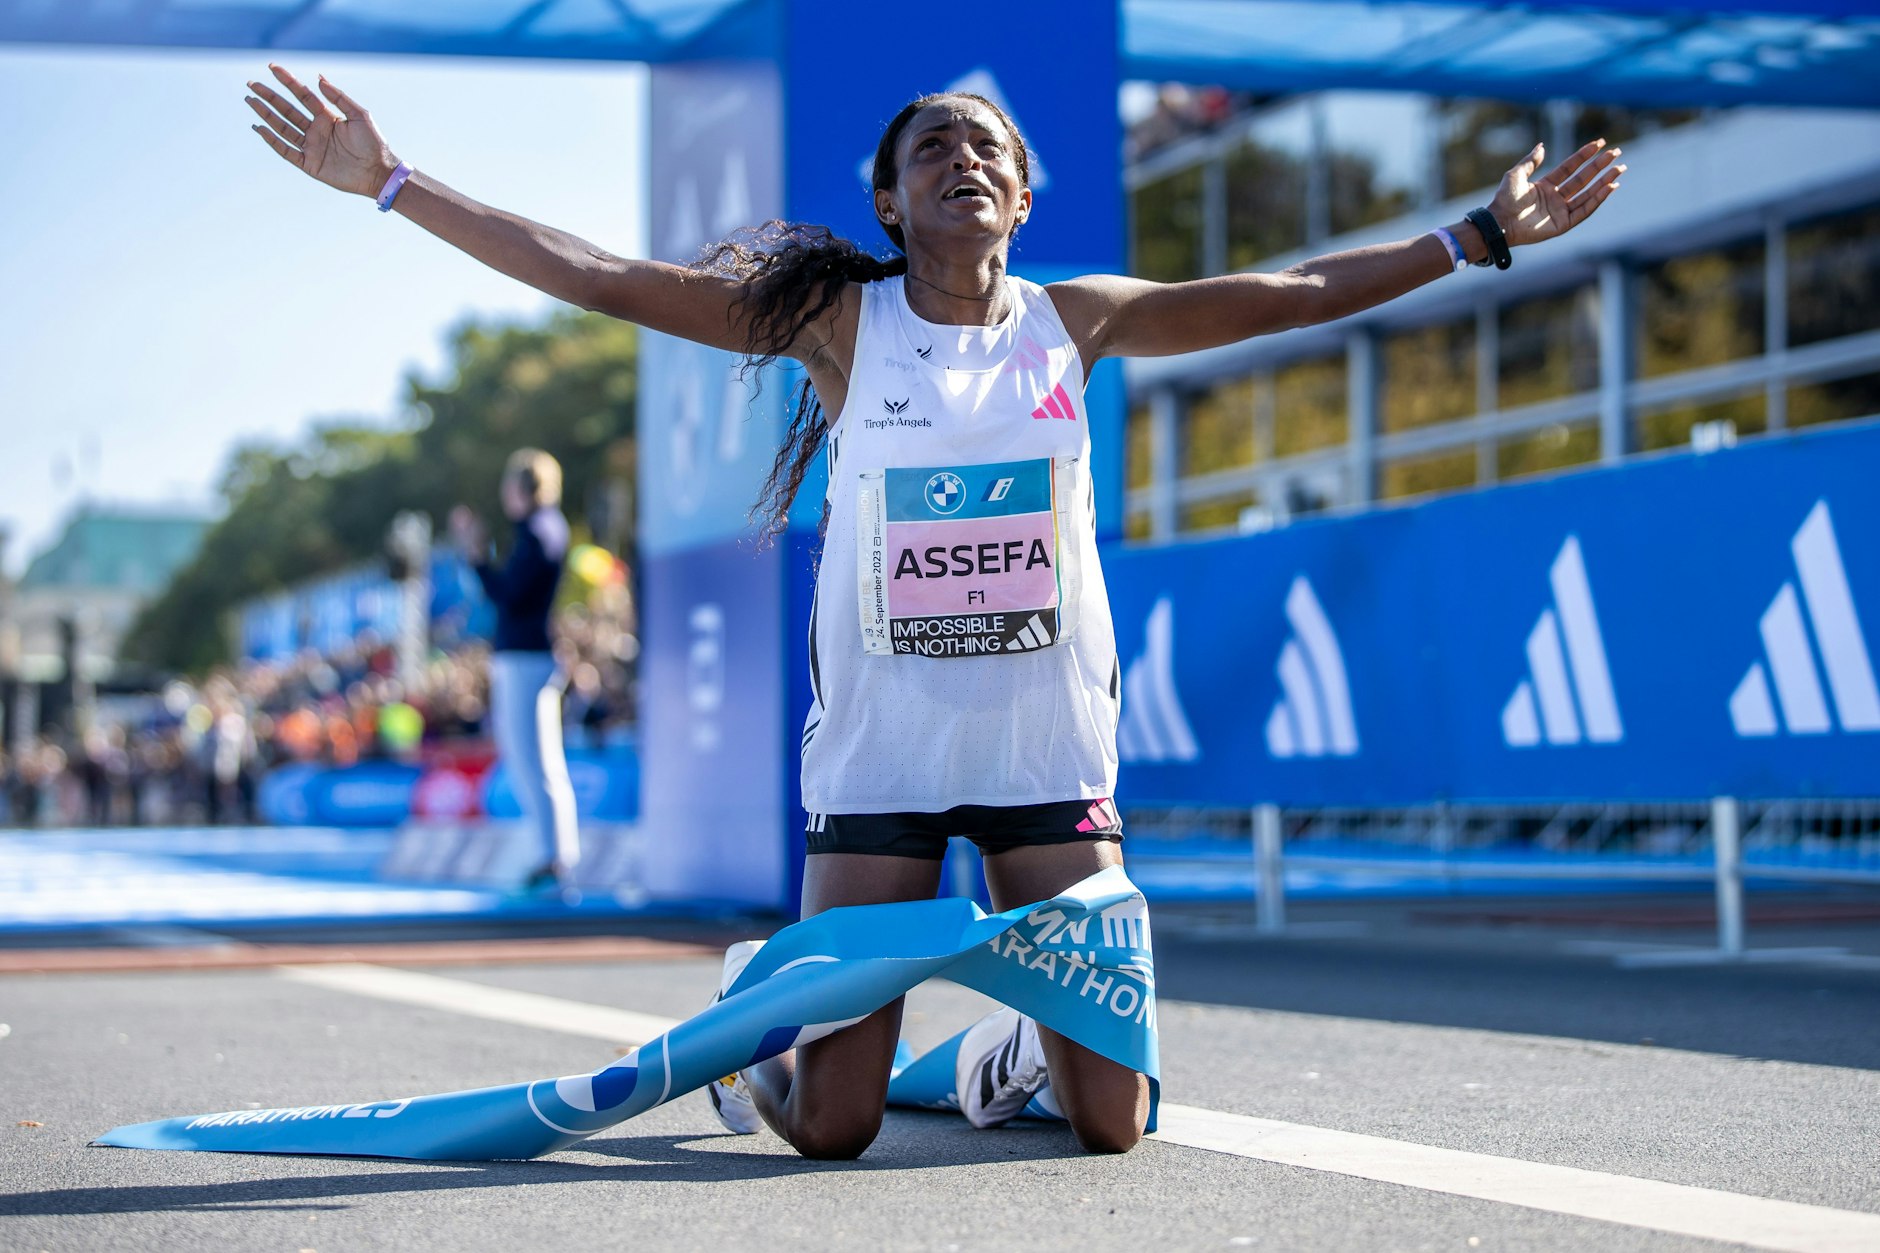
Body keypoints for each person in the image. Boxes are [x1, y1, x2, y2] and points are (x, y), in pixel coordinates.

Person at [243, 66, 1623, 1158]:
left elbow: (1293, 291)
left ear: (1021, 196)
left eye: (987, 151)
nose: (963, 160)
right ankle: (763, 1021)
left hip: (1049, 768)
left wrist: (1481, 232)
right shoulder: (842, 327)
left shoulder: (1074, 321)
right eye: (930, 153)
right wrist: (394, 183)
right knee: (832, 1125)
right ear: (893, 205)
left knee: (1110, 1127)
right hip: (884, 773)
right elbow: (602, 275)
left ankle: (1005, 1053)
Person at [449, 450, 580, 891]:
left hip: (527, 657)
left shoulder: (540, 532)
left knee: (535, 760)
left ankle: (554, 857)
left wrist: (477, 556)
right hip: (525, 655)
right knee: (534, 760)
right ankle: (554, 853)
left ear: (524, 489)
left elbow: (508, 595)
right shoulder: (539, 530)